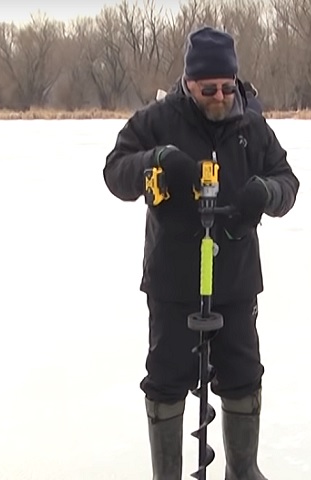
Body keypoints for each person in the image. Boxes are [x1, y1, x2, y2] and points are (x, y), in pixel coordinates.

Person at [103, 25, 299, 480]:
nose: (219, 97)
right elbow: (115, 172)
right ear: (188, 82)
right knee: (167, 376)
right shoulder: (158, 119)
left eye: (227, 87)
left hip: (235, 278)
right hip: (173, 278)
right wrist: (156, 161)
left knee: (243, 373)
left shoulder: (252, 124)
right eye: (207, 88)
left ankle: (243, 470)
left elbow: (288, 183)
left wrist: (264, 193)